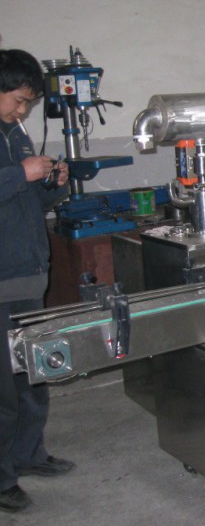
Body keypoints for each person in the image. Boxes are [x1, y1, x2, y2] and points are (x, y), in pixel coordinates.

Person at [0, 48, 74, 513]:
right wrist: (17, 175)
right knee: (2, 391)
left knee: (32, 375)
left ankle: (28, 454)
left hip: (29, 278)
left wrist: (53, 184)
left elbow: (27, 203)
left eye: (28, 103)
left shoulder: (16, 135)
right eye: (19, 100)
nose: (23, 110)